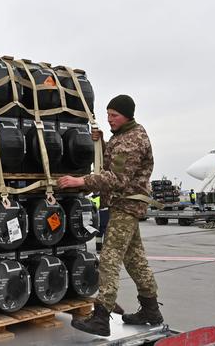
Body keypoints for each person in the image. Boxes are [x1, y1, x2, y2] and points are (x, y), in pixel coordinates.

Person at [58, 94, 163, 337]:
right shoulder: (124, 136)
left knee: (109, 259)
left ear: (127, 115)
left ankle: (101, 317)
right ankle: (151, 310)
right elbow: (116, 163)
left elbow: (117, 178)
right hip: (125, 205)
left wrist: (79, 180)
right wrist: (103, 143)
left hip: (125, 206)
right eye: (108, 115)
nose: (110, 119)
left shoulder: (132, 140)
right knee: (135, 261)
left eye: (114, 115)